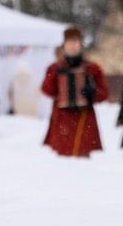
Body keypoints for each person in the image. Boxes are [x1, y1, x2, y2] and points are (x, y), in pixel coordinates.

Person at [42, 28, 106, 157]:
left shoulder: (92, 68)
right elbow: (47, 90)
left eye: (76, 42)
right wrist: (56, 76)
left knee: (82, 155)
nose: (73, 46)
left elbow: (104, 93)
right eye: (70, 43)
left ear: (81, 44)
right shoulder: (55, 68)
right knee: (63, 157)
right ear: (64, 45)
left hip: (84, 117)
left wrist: (92, 93)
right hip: (62, 118)